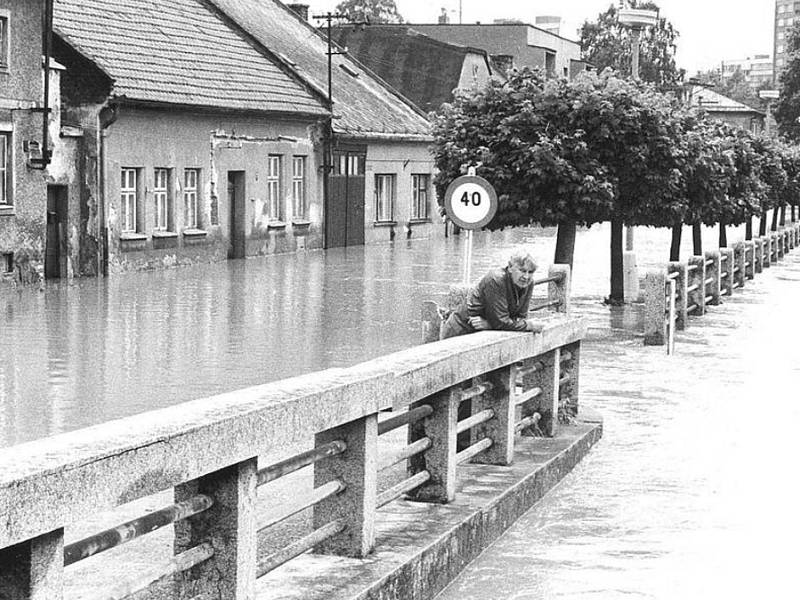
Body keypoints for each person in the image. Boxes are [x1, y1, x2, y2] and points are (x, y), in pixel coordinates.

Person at [441, 250, 542, 339]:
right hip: (461, 330)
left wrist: (490, 325)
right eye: (522, 270)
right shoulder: (496, 280)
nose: (526, 276)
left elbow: (520, 318)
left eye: (531, 272)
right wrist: (529, 326)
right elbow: (501, 322)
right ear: (510, 267)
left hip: (485, 333)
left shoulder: (529, 283)